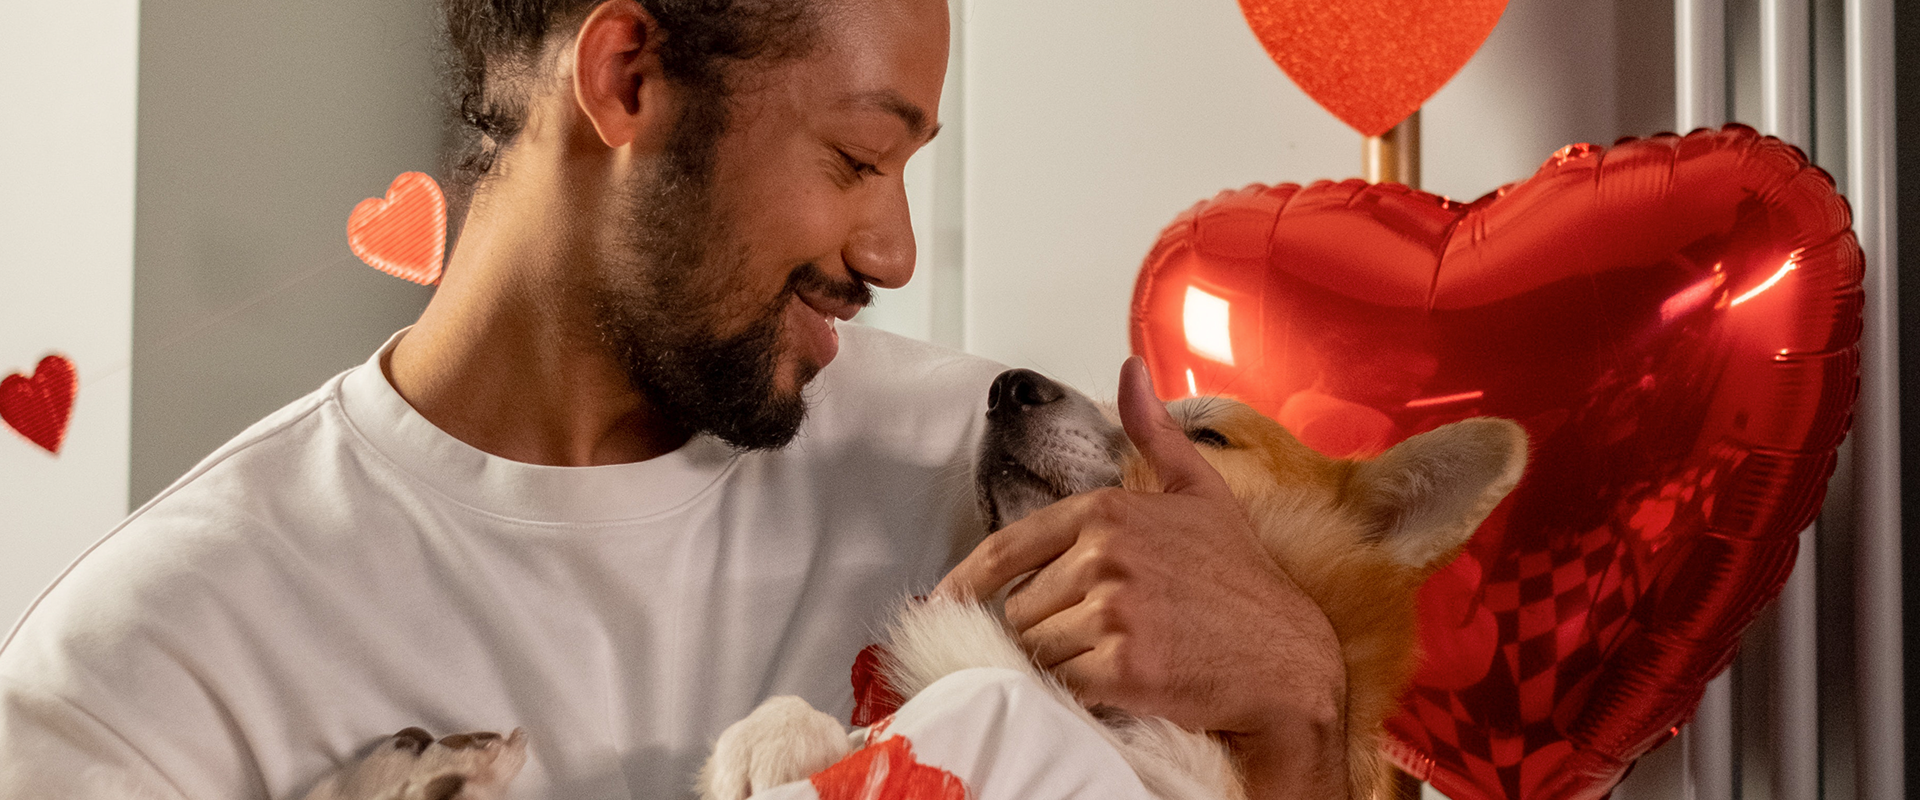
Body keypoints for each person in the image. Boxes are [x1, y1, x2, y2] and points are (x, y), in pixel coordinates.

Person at [0, 0, 1349, 797]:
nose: (894, 252)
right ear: (625, 78)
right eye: (855, 157)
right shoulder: (148, 673)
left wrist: (1296, 702)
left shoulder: (1001, 476)